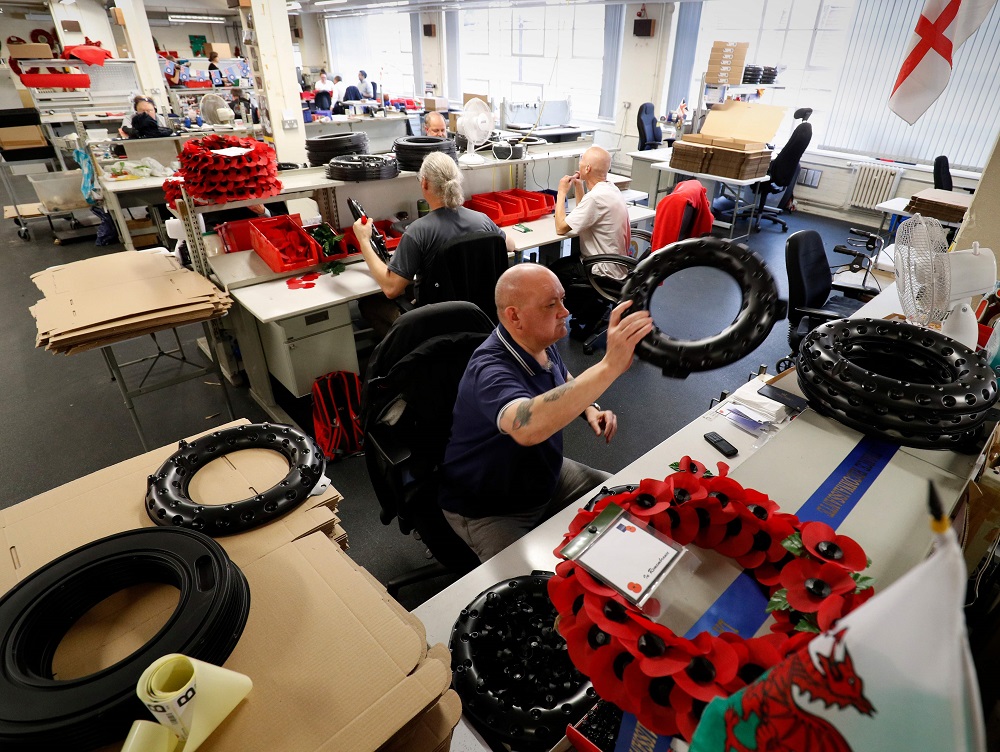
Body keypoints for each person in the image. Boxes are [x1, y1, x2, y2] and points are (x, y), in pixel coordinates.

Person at [438, 264, 654, 562]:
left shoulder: (540, 341)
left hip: (546, 477)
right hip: (491, 509)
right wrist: (608, 366)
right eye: (551, 305)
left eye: (562, 300)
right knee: (529, 593)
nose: (564, 311)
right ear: (514, 316)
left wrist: (588, 408)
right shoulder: (488, 371)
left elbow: (562, 379)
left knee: (627, 502)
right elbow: (526, 426)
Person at [353, 151, 515, 337]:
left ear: (424, 183)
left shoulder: (418, 231)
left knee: (369, 303)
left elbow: (391, 288)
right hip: (482, 318)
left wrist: (364, 240)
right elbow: (509, 244)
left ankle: (409, 356)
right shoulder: (482, 220)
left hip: (438, 323)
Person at [554, 145, 631, 279]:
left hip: (601, 272)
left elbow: (560, 228)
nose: (579, 164)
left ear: (587, 168)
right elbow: (585, 214)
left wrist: (561, 192)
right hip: (616, 265)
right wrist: (579, 186)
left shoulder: (595, 198)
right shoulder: (610, 188)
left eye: (582, 161)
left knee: (552, 272)